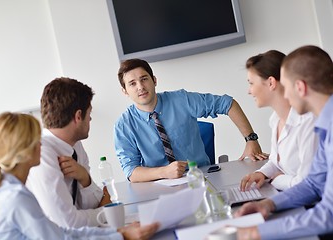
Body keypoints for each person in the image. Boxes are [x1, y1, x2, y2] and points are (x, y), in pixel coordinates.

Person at [0, 112, 159, 240]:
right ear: (23, 150)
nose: (41, 144)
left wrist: (119, 233)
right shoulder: (15, 197)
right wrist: (121, 236)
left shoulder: (10, 189)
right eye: (36, 139)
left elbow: (61, 233)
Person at [114, 58, 268, 183]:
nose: (140, 87)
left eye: (144, 79)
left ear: (154, 80)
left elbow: (227, 104)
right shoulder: (124, 125)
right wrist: (164, 172)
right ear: (125, 91)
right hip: (159, 186)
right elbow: (131, 172)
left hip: (202, 178)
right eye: (132, 84)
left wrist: (251, 139)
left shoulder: (182, 100)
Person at [235, 45, 333, 239]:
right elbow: (314, 184)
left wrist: (257, 232)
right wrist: (268, 204)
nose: (285, 96)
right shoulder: (325, 125)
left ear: (300, 87)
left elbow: (328, 215)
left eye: (286, 88)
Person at [26, 77, 109, 228]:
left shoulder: (75, 145)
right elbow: (66, 223)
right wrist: (105, 212)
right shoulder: (41, 153)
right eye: (89, 113)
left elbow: (90, 205)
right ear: (78, 116)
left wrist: (85, 178)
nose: (90, 118)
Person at [240, 50, 317, 191]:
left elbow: (307, 183)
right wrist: (261, 173)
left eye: (251, 83)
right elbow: (276, 162)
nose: (249, 91)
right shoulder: (275, 119)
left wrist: (277, 180)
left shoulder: (308, 121)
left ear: (271, 83)